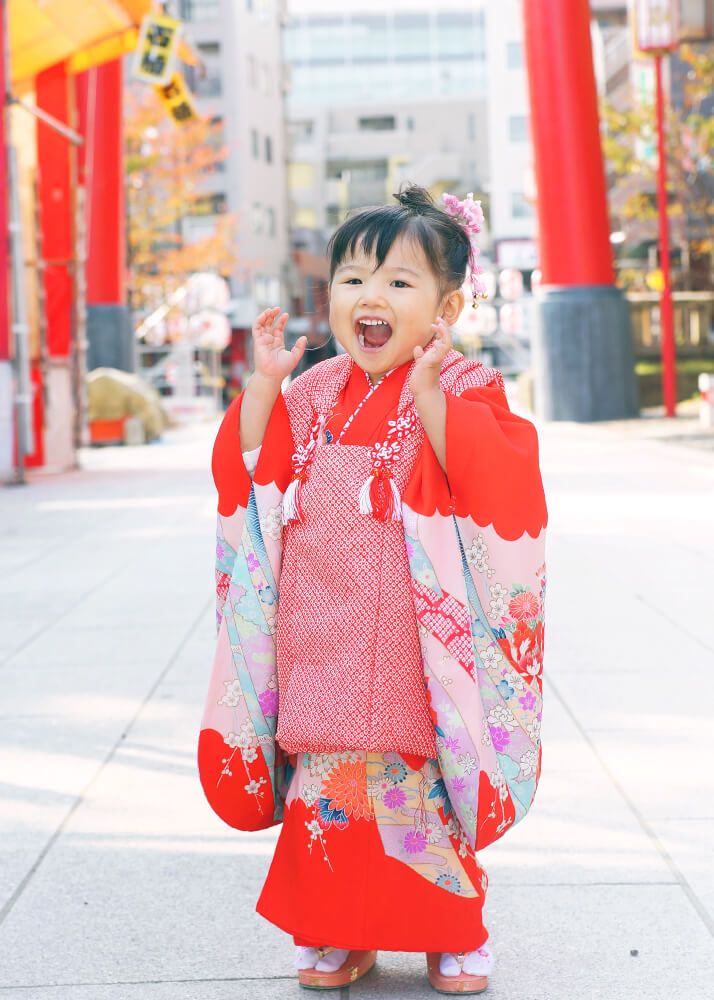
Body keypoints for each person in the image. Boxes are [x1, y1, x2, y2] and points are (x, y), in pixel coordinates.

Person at [198, 184, 547, 994]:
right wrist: (263, 387)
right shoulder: (315, 391)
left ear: (447, 304)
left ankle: (449, 931)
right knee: (327, 781)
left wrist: (428, 401)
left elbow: (499, 489)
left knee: (411, 784)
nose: (370, 298)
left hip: (413, 643)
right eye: (353, 279)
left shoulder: (463, 386)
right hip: (320, 628)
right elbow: (254, 476)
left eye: (399, 281)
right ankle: (336, 928)